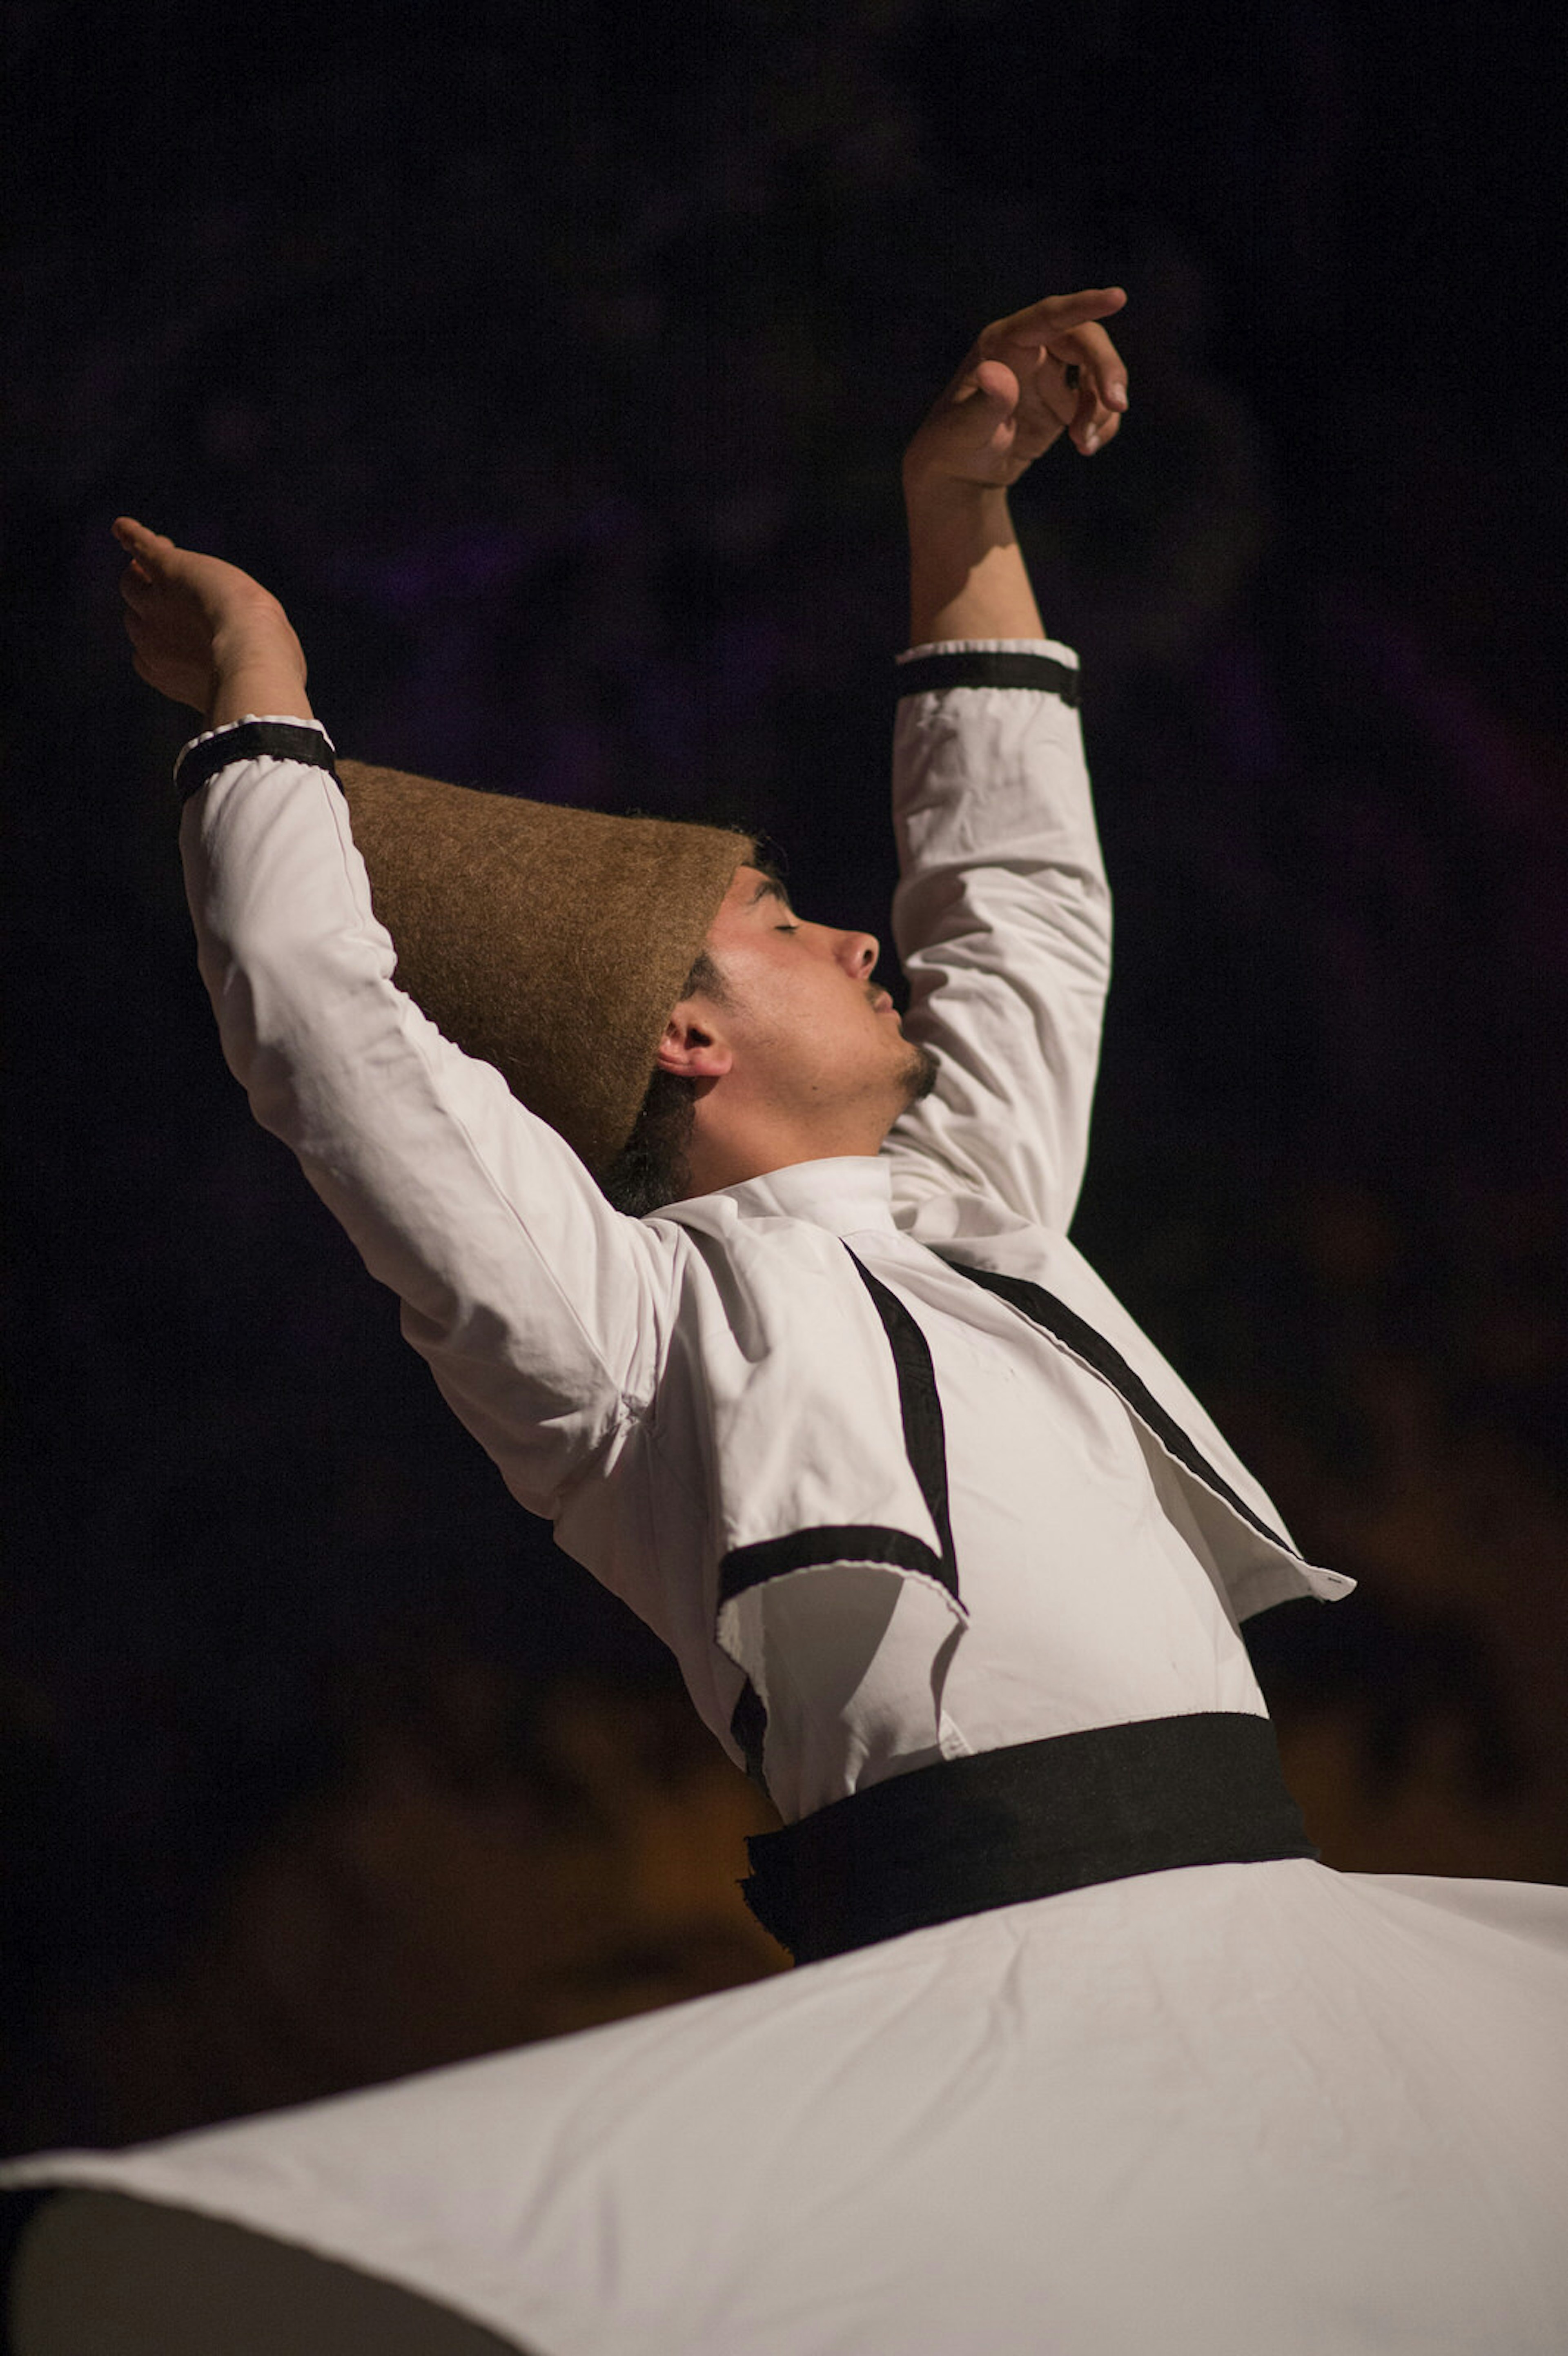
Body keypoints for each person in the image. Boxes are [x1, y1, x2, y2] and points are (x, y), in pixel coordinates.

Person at [5, 288, 1567, 2356]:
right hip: (976, 1994)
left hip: (1276, 1945)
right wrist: (262, 705)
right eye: (780, 925)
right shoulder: (619, 1341)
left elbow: (1018, 891)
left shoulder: (974, 1210)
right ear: (684, 1031)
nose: (853, 929)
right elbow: (328, 1027)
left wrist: (960, 509)